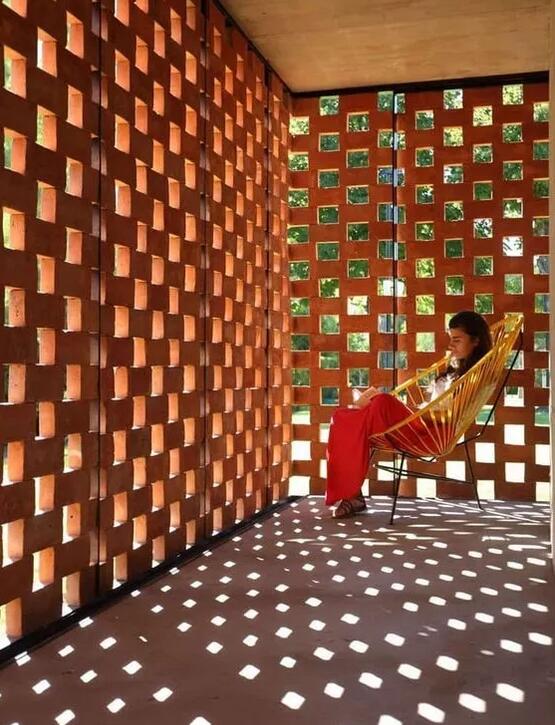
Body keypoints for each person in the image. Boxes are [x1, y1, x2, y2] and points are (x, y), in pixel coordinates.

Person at [326, 311, 493, 518]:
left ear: (476, 341)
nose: (451, 345)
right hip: (418, 423)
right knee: (341, 418)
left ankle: (352, 496)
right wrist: (411, 410)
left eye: (457, 340)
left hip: (432, 433)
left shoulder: (476, 378)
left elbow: (449, 416)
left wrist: (412, 412)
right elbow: (431, 406)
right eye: (451, 339)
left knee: (380, 402)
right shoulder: (455, 370)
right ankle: (353, 495)